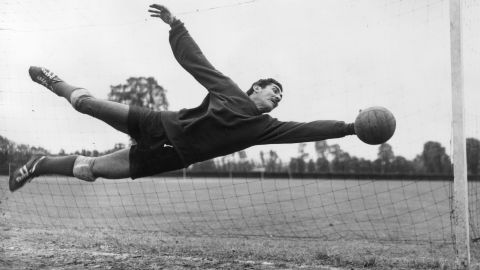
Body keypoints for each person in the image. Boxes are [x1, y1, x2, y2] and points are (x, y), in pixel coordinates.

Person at [9, 4, 356, 192]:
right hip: (158, 123)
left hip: (171, 156)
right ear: (255, 89)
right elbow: (196, 62)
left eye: (280, 96)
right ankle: (55, 82)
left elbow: (308, 129)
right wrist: (177, 26)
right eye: (273, 90)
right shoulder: (230, 91)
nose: (277, 97)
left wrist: (350, 127)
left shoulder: (265, 128)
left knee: (92, 169)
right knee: (86, 104)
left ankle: (40, 164)